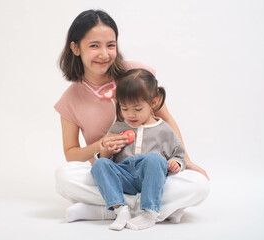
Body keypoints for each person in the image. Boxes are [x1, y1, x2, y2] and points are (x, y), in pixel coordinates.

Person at [54, 9, 209, 225]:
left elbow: (167, 119)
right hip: (113, 172)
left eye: (110, 45)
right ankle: (155, 208)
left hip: (153, 170)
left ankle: (109, 209)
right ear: (75, 47)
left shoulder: (136, 74)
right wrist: (100, 146)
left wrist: (185, 160)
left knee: (199, 185)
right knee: (64, 176)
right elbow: (71, 154)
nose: (104, 54)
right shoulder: (70, 99)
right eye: (94, 45)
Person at [91, 68, 187, 230]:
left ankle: (150, 212)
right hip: (125, 178)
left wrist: (175, 162)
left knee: (156, 160)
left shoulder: (163, 129)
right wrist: (106, 152)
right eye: (125, 108)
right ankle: (120, 209)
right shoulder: (118, 127)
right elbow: (108, 163)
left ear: (153, 103)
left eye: (137, 109)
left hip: (151, 179)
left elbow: (179, 155)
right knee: (98, 165)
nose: (131, 115)